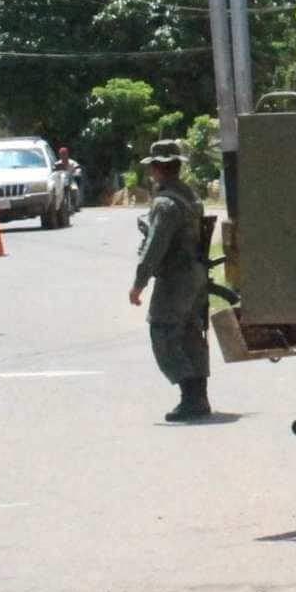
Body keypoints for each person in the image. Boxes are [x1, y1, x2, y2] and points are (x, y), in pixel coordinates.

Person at [127, 138, 211, 422]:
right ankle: (198, 396)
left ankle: (191, 397)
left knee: (163, 332)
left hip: (176, 279)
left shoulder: (165, 204)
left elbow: (155, 248)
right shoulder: (190, 197)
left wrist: (139, 283)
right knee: (189, 333)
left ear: (157, 169)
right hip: (196, 275)